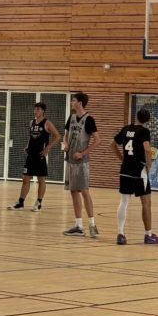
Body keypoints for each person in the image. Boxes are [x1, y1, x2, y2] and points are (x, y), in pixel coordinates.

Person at [112, 108, 158, 246]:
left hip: (125, 169)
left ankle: (120, 234)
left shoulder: (125, 129)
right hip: (139, 170)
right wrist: (149, 165)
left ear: (136, 116)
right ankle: (148, 235)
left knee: (124, 201)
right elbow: (147, 149)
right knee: (146, 202)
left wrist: (122, 159)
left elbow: (112, 145)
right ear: (147, 120)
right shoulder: (144, 131)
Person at [9, 102, 61, 211]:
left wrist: (48, 147)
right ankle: (20, 203)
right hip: (31, 155)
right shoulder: (31, 122)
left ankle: (39, 203)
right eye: (35, 109)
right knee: (25, 178)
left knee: (41, 179)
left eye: (38, 109)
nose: (35, 111)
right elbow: (31, 137)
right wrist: (27, 146)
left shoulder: (47, 123)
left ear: (43, 111)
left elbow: (57, 136)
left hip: (40, 155)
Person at [62, 93, 99, 238]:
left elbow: (97, 140)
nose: (72, 102)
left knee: (84, 191)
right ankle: (78, 226)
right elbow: (66, 135)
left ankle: (92, 225)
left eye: (74, 100)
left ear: (80, 103)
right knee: (73, 191)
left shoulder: (89, 119)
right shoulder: (71, 117)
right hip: (70, 160)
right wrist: (65, 144)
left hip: (81, 162)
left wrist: (83, 153)